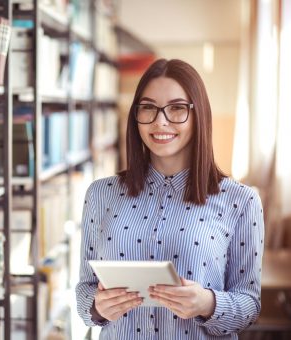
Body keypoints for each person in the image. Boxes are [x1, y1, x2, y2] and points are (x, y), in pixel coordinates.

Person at [76, 58, 264, 339]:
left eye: (177, 108)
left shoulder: (241, 201)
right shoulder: (101, 194)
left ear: (199, 115)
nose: (160, 121)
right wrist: (96, 306)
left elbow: (250, 306)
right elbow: (83, 292)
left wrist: (208, 303)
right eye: (148, 108)